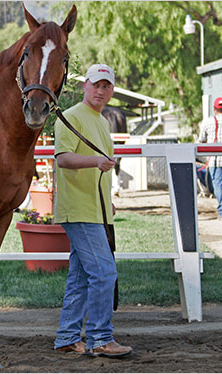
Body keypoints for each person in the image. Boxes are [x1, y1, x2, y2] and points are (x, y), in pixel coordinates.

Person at [52, 64, 132, 357]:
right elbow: (63, 158)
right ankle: (100, 338)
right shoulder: (71, 117)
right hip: (79, 210)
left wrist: (104, 199)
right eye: (96, 85)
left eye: (106, 86)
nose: (101, 91)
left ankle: (68, 337)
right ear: (85, 85)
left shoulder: (101, 121)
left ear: (111, 90)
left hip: (93, 209)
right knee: (104, 274)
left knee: (82, 277)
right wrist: (95, 163)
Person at [198, 97, 222, 220]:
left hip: (214, 159)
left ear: (214, 109)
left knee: (218, 184)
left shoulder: (208, 122)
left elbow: (201, 140)